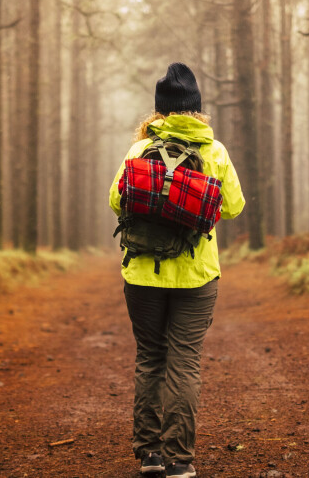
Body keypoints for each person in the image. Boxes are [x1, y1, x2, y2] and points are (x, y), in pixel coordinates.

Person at [109, 63, 245, 478]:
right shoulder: (214, 151)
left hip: (143, 275)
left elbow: (117, 202)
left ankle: (150, 454)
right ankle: (180, 460)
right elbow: (234, 207)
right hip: (197, 276)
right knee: (184, 361)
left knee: (150, 358)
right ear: (196, 110)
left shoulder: (138, 150)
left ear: (159, 111)